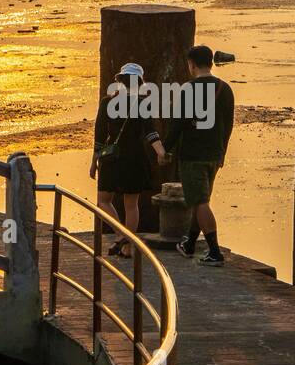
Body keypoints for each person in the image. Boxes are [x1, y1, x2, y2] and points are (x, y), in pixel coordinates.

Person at [163, 45, 235, 266]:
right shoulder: (225, 89)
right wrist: (223, 150)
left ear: (191, 64)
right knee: (199, 199)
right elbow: (228, 124)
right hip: (214, 154)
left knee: (200, 201)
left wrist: (165, 149)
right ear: (211, 63)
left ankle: (214, 251)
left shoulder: (188, 89)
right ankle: (190, 243)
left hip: (192, 154)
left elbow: (178, 124)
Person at [90, 62, 165, 257]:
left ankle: (120, 236)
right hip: (135, 158)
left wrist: (93, 161)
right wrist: (160, 151)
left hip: (111, 158)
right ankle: (127, 244)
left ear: (120, 81)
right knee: (131, 205)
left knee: (103, 201)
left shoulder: (107, 103)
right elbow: (150, 133)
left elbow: (99, 136)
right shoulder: (143, 103)